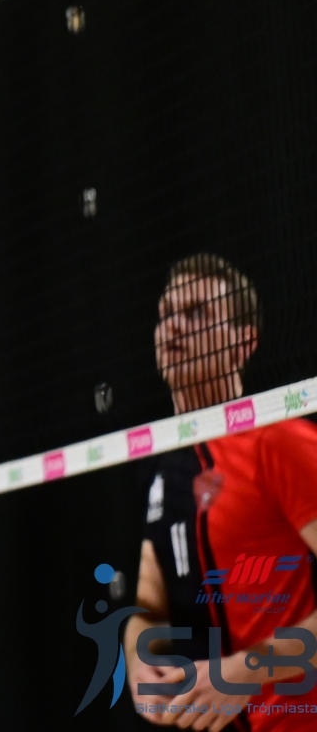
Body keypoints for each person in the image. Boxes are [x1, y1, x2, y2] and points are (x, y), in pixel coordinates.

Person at [123, 254, 317, 729]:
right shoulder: (161, 469)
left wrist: (246, 671)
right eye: (167, 313)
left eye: (197, 314)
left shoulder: (278, 442)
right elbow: (150, 606)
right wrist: (138, 658)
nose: (173, 327)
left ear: (242, 343)